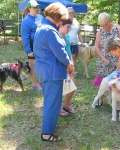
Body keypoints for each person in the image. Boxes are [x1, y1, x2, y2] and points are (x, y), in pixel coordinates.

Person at [33, 2, 74, 142]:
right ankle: (47, 133)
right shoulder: (49, 31)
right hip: (52, 73)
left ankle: (48, 128)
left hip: (47, 72)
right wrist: (69, 63)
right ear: (56, 16)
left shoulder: (43, 27)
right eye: (62, 18)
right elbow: (60, 53)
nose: (62, 21)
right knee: (53, 103)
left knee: (50, 101)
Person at [94, 12, 120, 107]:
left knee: (116, 81)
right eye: (102, 25)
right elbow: (96, 47)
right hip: (103, 61)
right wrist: (104, 60)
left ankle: (117, 102)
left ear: (110, 21)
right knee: (102, 81)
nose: (105, 27)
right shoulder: (100, 31)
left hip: (117, 59)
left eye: (106, 24)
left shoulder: (118, 29)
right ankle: (101, 99)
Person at [21, 0, 43, 91]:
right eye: (34, 7)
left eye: (37, 7)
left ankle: (42, 81)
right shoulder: (26, 21)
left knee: (42, 63)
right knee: (32, 65)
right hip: (32, 44)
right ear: (29, 8)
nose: (36, 9)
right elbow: (25, 37)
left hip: (42, 44)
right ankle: (34, 84)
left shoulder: (41, 17)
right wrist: (28, 51)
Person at [57, 19, 76, 116]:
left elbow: (69, 51)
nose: (69, 29)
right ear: (61, 24)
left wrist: (72, 63)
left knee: (71, 87)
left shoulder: (67, 36)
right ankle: (57, 107)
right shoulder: (56, 37)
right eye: (67, 27)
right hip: (61, 67)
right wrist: (66, 65)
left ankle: (66, 105)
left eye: (70, 27)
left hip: (69, 66)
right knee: (60, 89)